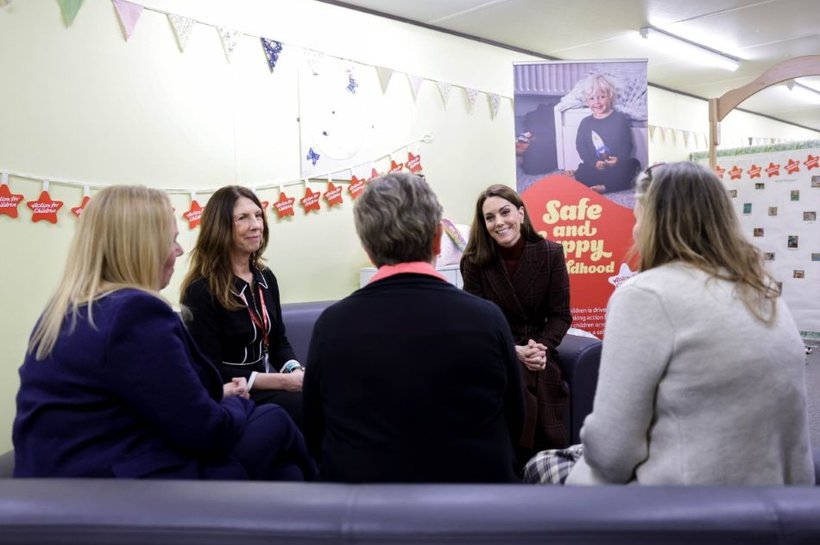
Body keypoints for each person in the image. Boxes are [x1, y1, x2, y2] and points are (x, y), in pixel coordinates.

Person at [13, 185, 315, 480]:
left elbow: (155, 398)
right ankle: (334, 506)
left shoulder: (63, 312)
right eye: (172, 239)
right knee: (276, 420)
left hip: (61, 477)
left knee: (286, 469)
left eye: (258, 216)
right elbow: (206, 430)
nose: (180, 249)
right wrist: (237, 401)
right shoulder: (136, 314)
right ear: (141, 248)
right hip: (114, 482)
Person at [563, 161, 814, 485]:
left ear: (653, 222)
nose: (635, 229)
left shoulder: (644, 295)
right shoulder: (761, 288)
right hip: (778, 502)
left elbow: (612, 454)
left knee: (543, 466)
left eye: (638, 217)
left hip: (691, 508)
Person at [303, 172, 524, 483]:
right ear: (437, 239)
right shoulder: (487, 319)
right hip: (477, 508)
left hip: (364, 511)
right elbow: (515, 420)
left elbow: (315, 431)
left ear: (368, 248)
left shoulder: (331, 326)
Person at [460, 184, 572, 466]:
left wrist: (539, 348)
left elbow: (560, 315)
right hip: (496, 349)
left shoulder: (551, 253)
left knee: (532, 373)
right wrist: (513, 351)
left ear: (521, 213)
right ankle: (530, 462)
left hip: (540, 351)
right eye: (489, 217)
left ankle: (524, 461)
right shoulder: (474, 262)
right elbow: (476, 324)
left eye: (505, 212)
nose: (499, 222)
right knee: (515, 374)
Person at [180, 186, 304, 427]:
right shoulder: (200, 291)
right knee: (302, 407)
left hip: (270, 384)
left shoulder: (266, 278)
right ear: (220, 227)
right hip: (234, 393)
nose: (256, 225)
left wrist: (294, 371)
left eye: (258, 215)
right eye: (243, 218)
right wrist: (281, 382)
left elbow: (278, 342)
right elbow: (209, 369)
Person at [573, 73, 640, 193]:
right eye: (592, 98)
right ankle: (605, 184)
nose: (597, 102)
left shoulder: (619, 119)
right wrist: (593, 163)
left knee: (634, 166)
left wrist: (619, 159)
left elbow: (627, 144)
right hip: (596, 166)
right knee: (581, 172)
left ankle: (605, 187)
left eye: (601, 97)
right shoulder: (585, 123)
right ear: (587, 101)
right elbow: (581, 146)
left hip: (616, 166)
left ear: (610, 96)